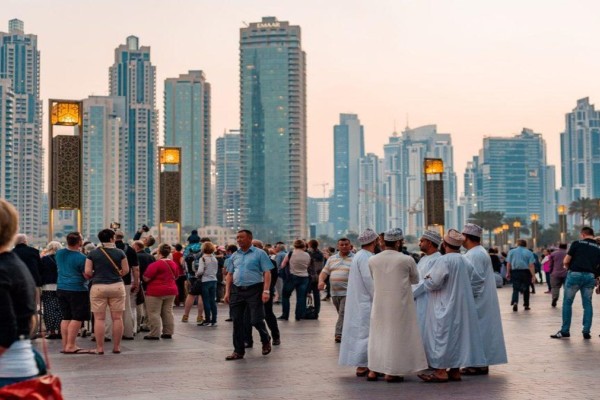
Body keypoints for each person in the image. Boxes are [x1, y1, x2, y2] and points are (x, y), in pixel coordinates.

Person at [418, 229, 486, 383]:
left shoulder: (444, 261)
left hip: (444, 305)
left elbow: (434, 283)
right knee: (458, 338)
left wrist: (427, 279)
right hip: (462, 307)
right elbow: (477, 281)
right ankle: (455, 371)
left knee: (442, 337)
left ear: (444, 244)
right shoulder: (465, 260)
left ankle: (441, 371)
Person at [368, 228, 427, 382]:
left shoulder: (373, 260)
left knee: (379, 335)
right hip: (400, 304)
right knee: (397, 336)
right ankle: (392, 372)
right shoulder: (406, 259)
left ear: (383, 242)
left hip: (380, 303)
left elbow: (373, 277)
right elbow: (415, 280)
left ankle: (374, 370)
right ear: (399, 242)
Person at [0, 199, 40, 387]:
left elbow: (6, 331)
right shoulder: (14, 264)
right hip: (19, 368)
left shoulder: (3, 269)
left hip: (6, 374)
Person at [461, 223, 507, 375]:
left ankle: (478, 363)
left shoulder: (475, 254)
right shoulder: (476, 252)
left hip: (477, 301)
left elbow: (476, 279)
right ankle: (479, 363)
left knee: (479, 332)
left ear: (467, 237)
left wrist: (469, 299)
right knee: (480, 332)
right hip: (480, 300)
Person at [223, 230, 272, 361]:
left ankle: (265, 338)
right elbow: (229, 274)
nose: (239, 240)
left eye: (242, 237)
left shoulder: (260, 253)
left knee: (256, 319)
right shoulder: (234, 255)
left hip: (254, 290)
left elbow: (267, 272)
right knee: (237, 321)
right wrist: (227, 292)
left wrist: (266, 291)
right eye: (237, 237)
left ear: (250, 239)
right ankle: (238, 351)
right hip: (237, 290)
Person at [338, 229, 377, 378]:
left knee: (361, 331)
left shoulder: (361, 256)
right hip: (365, 301)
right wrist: (379, 297)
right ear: (373, 242)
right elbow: (370, 281)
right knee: (364, 332)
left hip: (360, 300)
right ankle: (362, 365)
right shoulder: (366, 257)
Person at [84, 229, 129, 354]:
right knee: (117, 318)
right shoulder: (120, 252)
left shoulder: (92, 253)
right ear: (111, 238)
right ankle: (117, 347)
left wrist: (96, 274)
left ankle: (100, 348)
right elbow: (125, 270)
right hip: (117, 286)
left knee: (99, 319)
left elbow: (87, 272)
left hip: (98, 286)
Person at [551, 227, 600, 339]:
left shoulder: (577, 243)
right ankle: (586, 331)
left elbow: (566, 260)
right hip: (590, 276)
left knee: (567, 303)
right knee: (587, 304)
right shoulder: (598, 247)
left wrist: (569, 268)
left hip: (575, 274)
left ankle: (565, 331)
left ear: (583, 234)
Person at [56, 232, 91, 354]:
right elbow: (86, 275)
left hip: (61, 287)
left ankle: (65, 345)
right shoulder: (81, 258)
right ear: (80, 242)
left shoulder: (59, 253)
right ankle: (71, 345)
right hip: (77, 289)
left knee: (66, 317)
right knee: (77, 318)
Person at [318, 238, 353, 343]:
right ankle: (349, 331)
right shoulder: (332, 259)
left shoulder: (355, 258)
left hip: (348, 292)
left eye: (346, 244)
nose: (344, 246)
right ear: (338, 246)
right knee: (342, 313)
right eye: (341, 245)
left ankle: (339, 334)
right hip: (334, 293)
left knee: (343, 313)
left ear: (350, 246)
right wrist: (321, 281)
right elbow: (324, 272)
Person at [143, 243, 178, 340]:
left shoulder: (156, 264)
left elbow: (146, 278)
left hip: (155, 291)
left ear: (159, 252)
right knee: (168, 312)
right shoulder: (173, 263)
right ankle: (168, 332)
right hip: (171, 290)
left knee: (154, 312)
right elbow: (177, 275)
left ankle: (154, 333)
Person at [412, 230, 442, 343]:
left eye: (422, 241)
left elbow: (426, 282)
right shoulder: (424, 258)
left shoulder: (437, 259)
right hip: (418, 300)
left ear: (429, 243)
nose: (419, 243)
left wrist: (409, 293)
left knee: (426, 333)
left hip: (428, 301)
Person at [279, 239, 311, 321]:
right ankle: (298, 316)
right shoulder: (307, 255)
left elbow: (283, 265)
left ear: (294, 245)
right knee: (301, 297)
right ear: (303, 245)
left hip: (292, 277)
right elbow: (308, 265)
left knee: (285, 296)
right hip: (304, 277)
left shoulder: (290, 253)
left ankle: (285, 315)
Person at [39, 241, 63, 339]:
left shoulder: (44, 259)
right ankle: (61, 331)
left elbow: (40, 271)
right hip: (61, 285)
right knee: (60, 309)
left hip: (47, 286)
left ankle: (52, 331)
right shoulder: (62, 259)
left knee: (49, 309)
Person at [506, 239, 536, 312]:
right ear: (525, 245)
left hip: (515, 271)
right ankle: (526, 305)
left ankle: (515, 302)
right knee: (526, 288)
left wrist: (508, 272)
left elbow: (508, 263)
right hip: (526, 272)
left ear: (517, 244)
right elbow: (531, 265)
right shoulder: (529, 252)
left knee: (515, 288)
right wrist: (533, 275)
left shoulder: (511, 251)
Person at [197, 242, 219, 327]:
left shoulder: (202, 259)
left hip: (205, 280)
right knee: (212, 300)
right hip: (214, 280)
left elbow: (200, 271)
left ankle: (207, 319)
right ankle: (214, 319)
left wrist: (197, 274)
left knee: (206, 301)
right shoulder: (214, 258)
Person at [306, 239, 325, 317]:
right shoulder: (320, 254)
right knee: (316, 295)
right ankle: (317, 311)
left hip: (310, 276)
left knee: (306, 294)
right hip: (318, 276)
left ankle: (305, 311)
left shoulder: (308, 254)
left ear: (310, 245)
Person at [548, 243, 568, 308]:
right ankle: (567, 300)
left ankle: (555, 298)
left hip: (555, 273)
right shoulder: (569, 253)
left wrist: (550, 271)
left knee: (555, 287)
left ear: (559, 247)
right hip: (566, 273)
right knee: (567, 287)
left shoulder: (553, 254)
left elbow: (551, 264)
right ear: (566, 247)